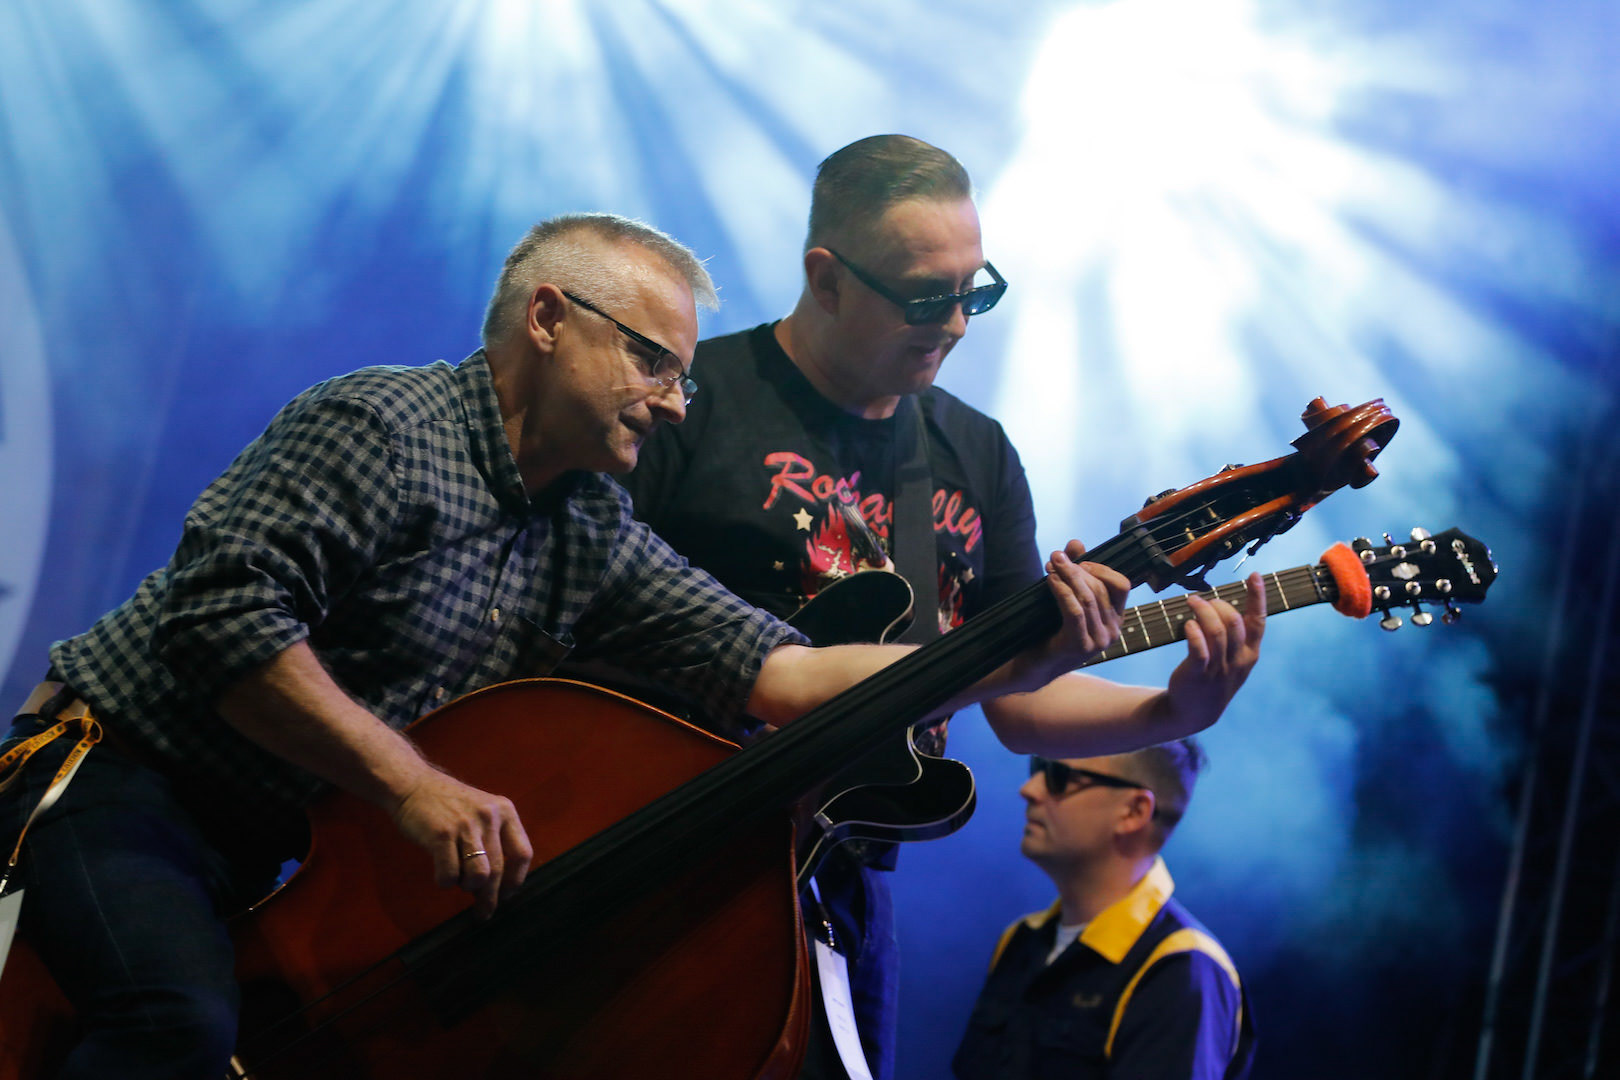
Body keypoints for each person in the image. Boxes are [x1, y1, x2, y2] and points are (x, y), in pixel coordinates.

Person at [0, 212, 1184, 1080]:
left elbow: (787, 674)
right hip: (131, 781)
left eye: (682, 372)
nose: (678, 401)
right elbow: (225, 622)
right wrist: (412, 785)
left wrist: (1022, 652)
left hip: (288, 840)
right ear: (550, 319)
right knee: (172, 1024)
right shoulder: (381, 425)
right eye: (653, 360)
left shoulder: (588, 525)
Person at [620, 135, 1266, 1079]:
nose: (959, 323)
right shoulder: (694, 398)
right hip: (655, 843)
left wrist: (1176, 711)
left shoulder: (977, 453)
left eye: (979, 290)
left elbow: (1014, 704)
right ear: (826, 278)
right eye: (929, 298)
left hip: (833, 879)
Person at [952, 741, 1255, 1079]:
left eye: (1058, 776)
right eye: (1036, 769)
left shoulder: (1182, 967)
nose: (1029, 789)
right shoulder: (1019, 940)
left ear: (1134, 811)